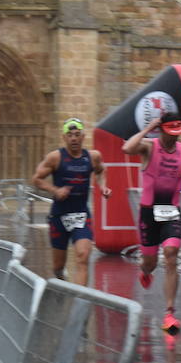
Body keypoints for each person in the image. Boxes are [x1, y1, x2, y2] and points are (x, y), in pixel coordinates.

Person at [122, 112, 181, 335]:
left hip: (171, 212)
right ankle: (145, 270)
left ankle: (170, 312)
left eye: (177, 134)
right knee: (149, 262)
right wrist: (147, 129)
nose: (174, 138)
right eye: (170, 133)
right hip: (149, 213)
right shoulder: (149, 147)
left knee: (171, 255)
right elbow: (127, 148)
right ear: (161, 131)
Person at [33, 119, 109, 283]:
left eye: (76, 135)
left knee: (83, 256)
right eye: (69, 135)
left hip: (81, 214)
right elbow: (37, 179)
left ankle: (79, 301)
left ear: (83, 137)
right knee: (58, 266)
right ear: (64, 137)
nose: (73, 138)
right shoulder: (55, 157)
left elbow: (101, 171)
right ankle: (61, 279)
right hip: (59, 216)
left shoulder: (93, 156)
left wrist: (102, 186)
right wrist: (55, 190)